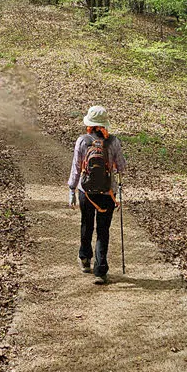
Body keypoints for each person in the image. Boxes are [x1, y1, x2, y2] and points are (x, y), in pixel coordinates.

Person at [68, 105, 127, 285]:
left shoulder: (82, 141)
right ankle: (100, 270)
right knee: (103, 230)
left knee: (86, 224)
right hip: (107, 193)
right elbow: (122, 167)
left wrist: (71, 190)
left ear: (89, 124)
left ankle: (85, 258)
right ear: (104, 124)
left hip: (86, 192)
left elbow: (76, 168)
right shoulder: (114, 141)